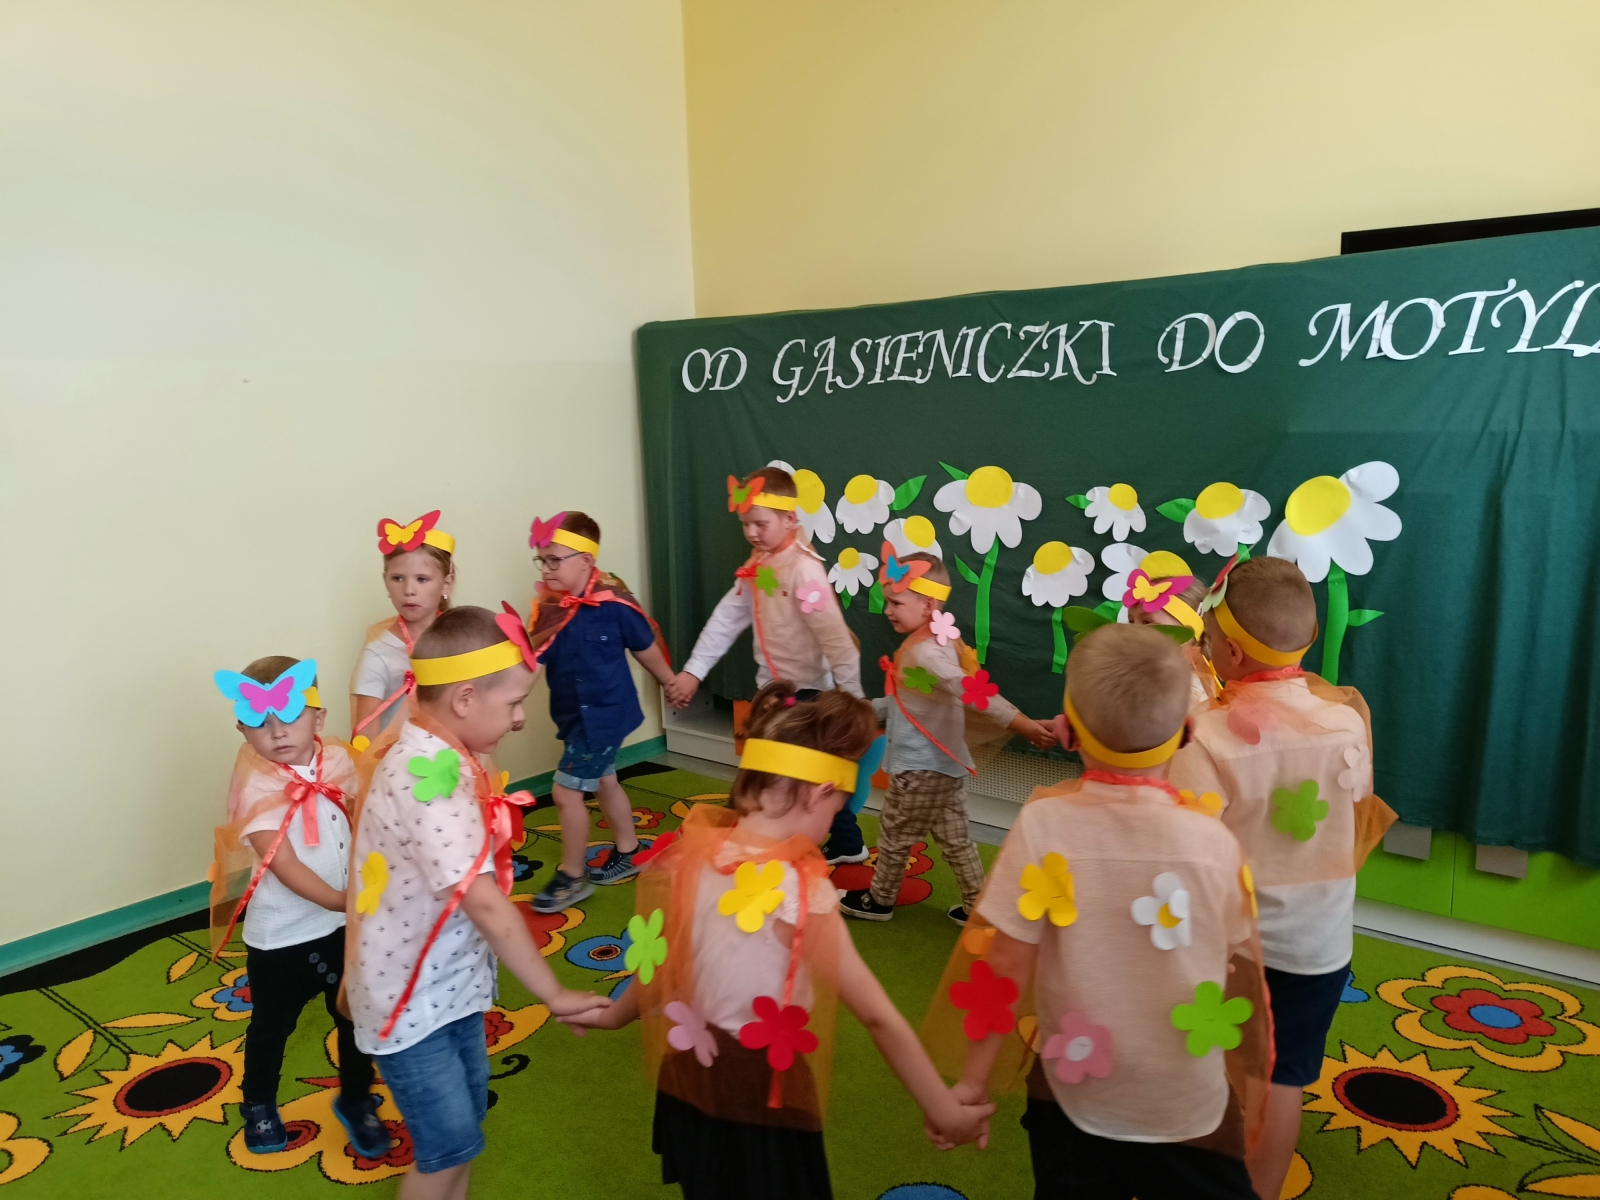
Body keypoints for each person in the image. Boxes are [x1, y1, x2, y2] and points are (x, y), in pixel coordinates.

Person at [557, 681, 995, 1200]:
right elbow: (878, 1016)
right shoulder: (799, 892)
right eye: (839, 806)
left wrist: (614, 1015)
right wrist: (945, 1110)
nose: (834, 820)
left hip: (688, 1073)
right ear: (819, 792)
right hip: (760, 1092)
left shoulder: (696, 855)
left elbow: (668, 962)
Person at [922, 624, 1269, 1200]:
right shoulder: (1214, 842)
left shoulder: (1044, 827)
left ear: (1068, 732)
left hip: (1073, 1085)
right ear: (1186, 733)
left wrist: (973, 1083)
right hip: (1186, 1096)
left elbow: (1003, 967)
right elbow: (1233, 957)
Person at [344, 606, 610, 1199]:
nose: (520, 719)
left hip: (450, 987)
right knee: (444, 1151)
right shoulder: (425, 782)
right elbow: (486, 905)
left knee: (462, 1138)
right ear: (464, 699)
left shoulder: (450, 758)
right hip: (411, 1005)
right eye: (514, 703)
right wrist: (554, 994)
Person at [1170, 553, 1395, 1200]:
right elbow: (1352, 813)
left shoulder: (1207, 735)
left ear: (1232, 652)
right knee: (1282, 1076)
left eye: (1208, 637)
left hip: (1240, 947)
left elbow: (1186, 845)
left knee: (1222, 1059)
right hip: (1321, 945)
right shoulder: (1345, 718)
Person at [207, 656, 389, 1159]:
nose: (277, 731)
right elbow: (282, 862)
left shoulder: (339, 760)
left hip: (341, 924)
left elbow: (367, 814)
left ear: (318, 717)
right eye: (260, 722)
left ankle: (356, 1098)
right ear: (242, 729)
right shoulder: (254, 784)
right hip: (282, 938)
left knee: (355, 1013)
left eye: (289, 715)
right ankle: (258, 1104)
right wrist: (345, 901)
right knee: (271, 1026)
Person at [839, 551, 1054, 926]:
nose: (887, 610)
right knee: (956, 839)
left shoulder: (927, 653)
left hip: (919, 768)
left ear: (928, 605)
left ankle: (880, 899)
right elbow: (912, 700)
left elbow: (974, 693)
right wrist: (867, 711)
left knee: (895, 835)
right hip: (945, 766)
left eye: (895, 602)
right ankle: (977, 904)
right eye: (887, 601)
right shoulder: (939, 643)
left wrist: (1024, 725)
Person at [667, 466, 868, 866]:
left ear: (790, 518)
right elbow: (728, 617)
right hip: (773, 689)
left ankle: (743, 843)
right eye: (746, 524)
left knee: (779, 771)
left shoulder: (803, 569)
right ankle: (843, 842)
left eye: (760, 524)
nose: (752, 533)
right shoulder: (760, 562)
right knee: (783, 769)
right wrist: (693, 671)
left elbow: (836, 640)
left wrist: (853, 702)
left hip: (809, 693)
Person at [523, 510, 677, 912]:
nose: (547, 569)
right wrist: (510, 703)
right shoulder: (548, 610)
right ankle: (629, 850)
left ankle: (571, 876)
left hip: (606, 716)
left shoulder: (615, 603)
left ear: (586, 561)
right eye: (542, 560)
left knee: (565, 792)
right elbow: (532, 661)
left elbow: (644, 647)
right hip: (574, 717)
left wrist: (669, 681)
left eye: (555, 560)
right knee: (605, 781)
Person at [350, 510, 455, 742]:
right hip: (398, 760)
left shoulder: (460, 640)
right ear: (385, 581)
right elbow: (365, 732)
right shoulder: (378, 654)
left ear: (446, 584)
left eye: (422, 579)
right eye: (397, 578)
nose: (408, 590)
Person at [1116, 549, 1217, 708]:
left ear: (1188, 632)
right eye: (1131, 621)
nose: (1133, 631)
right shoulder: (1144, 678)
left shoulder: (1188, 694)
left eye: (1147, 622)